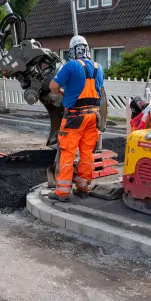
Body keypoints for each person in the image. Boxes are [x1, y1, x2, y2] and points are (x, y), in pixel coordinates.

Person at [47, 35, 105, 202]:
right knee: (87, 152)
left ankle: (63, 192)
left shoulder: (71, 66)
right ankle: (83, 186)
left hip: (74, 117)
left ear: (73, 50)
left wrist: (62, 92)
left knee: (67, 151)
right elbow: (97, 89)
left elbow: (53, 86)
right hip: (93, 116)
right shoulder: (98, 67)